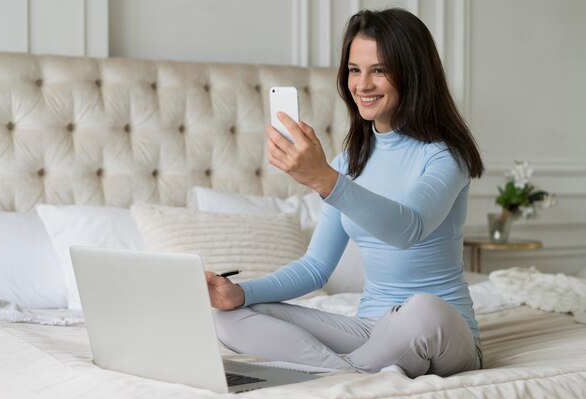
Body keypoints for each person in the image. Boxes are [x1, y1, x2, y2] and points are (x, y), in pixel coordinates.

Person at [205, 8, 485, 378]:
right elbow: (316, 267)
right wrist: (239, 293)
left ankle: (340, 370)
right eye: (355, 70)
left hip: (440, 331)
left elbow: (409, 228)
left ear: (413, 74)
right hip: (370, 331)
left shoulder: (445, 156)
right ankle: (348, 372)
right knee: (227, 316)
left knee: (423, 308)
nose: (363, 85)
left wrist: (326, 181)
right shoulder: (349, 162)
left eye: (379, 70)